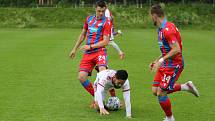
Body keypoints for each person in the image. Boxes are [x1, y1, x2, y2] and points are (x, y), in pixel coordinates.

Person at [149, 4, 199, 121]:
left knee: (161, 93)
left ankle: (170, 118)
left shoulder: (167, 30)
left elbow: (176, 49)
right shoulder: (161, 29)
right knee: (155, 90)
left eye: (151, 16)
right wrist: (157, 61)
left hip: (174, 65)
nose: (151, 18)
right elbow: (167, 49)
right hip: (166, 64)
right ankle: (185, 86)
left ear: (155, 16)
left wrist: (161, 61)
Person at [69, 0, 111, 98]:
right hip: (88, 53)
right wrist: (74, 49)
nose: (101, 13)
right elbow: (83, 34)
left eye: (103, 11)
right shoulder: (89, 19)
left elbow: (105, 41)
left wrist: (90, 46)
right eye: (99, 11)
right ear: (95, 8)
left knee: (103, 75)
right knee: (81, 77)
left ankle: (112, 97)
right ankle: (97, 97)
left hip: (100, 51)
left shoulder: (107, 22)